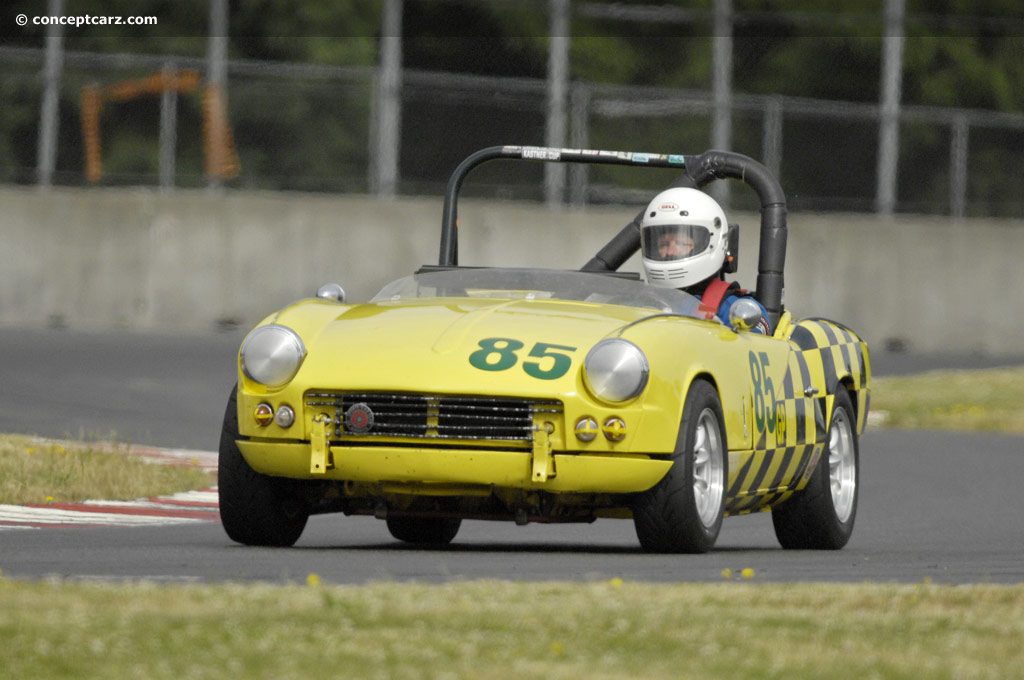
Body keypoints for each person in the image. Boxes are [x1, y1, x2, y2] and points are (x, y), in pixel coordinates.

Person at [639, 187, 772, 335]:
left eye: (682, 244)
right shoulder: (639, 302)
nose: (670, 252)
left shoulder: (737, 310)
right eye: (663, 245)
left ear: (714, 242)